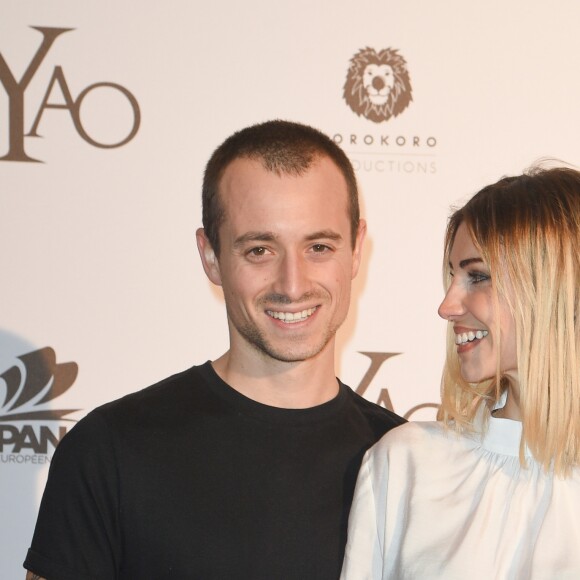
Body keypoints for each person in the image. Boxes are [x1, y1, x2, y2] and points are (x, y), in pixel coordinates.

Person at [24, 120, 405, 580]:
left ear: (356, 249)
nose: (293, 284)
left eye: (319, 246)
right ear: (210, 256)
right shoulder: (110, 451)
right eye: (260, 250)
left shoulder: (402, 461)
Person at [340, 166, 580, 579]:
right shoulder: (405, 464)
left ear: (554, 286)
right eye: (454, 276)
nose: (447, 306)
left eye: (478, 276)